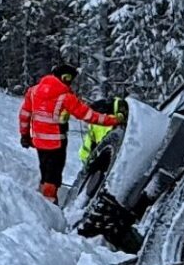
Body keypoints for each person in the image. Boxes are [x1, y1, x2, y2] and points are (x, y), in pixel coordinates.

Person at [20, 63, 121, 202]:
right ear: (65, 77)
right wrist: (114, 120)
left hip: (39, 141)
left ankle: (43, 199)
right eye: (71, 80)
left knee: (45, 170)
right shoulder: (65, 96)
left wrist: (25, 135)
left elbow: (24, 114)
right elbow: (88, 115)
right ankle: (49, 204)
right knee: (53, 175)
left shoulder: (33, 91)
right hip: (57, 142)